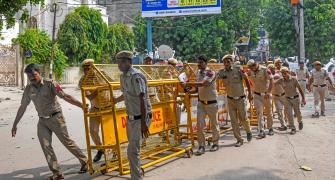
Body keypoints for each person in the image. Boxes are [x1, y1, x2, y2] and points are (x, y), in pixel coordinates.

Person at [11, 63, 88, 180]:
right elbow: (22, 107)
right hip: (42, 121)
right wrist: (15, 124)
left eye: (34, 75)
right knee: (46, 146)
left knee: (67, 142)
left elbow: (65, 96)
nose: (31, 78)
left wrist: (82, 105)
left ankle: (84, 161)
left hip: (56, 118)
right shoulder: (28, 89)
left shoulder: (50, 84)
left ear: (39, 73)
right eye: (29, 76)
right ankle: (57, 173)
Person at [114, 51, 152, 180]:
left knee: (132, 151)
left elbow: (142, 99)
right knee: (133, 151)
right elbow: (126, 94)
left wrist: (143, 123)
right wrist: (114, 101)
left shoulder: (136, 76)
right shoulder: (123, 77)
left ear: (130, 62)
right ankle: (136, 174)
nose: (120, 64)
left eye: (123, 61)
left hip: (140, 118)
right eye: (118, 62)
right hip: (131, 118)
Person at [183, 55, 220, 155]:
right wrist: (189, 91)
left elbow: (204, 84)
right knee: (199, 126)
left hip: (211, 103)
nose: (199, 64)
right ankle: (201, 146)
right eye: (198, 62)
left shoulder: (211, 72)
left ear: (206, 63)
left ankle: (215, 143)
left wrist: (188, 83)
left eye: (201, 62)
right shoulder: (198, 72)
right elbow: (197, 88)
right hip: (201, 103)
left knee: (214, 125)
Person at [217, 55, 253, 147]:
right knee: (233, 121)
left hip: (240, 99)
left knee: (243, 118)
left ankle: (248, 131)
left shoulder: (238, 69)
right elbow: (213, 78)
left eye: (228, 62)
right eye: (224, 62)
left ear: (232, 62)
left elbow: (246, 80)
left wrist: (250, 93)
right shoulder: (222, 72)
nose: (226, 64)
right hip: (230, 99)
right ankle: (239, 139)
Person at [79, 59, 106, 162]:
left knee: (110, 132)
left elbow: (113, 83)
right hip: (95, 108)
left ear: (94, 67)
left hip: (108, 107)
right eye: (85, 68)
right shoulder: (83, 80)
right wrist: (100, 89)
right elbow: (89, 97)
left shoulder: (102, 75)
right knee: (93, 131)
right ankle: (100, 149)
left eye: (89, 68)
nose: (87, 70)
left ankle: (115, 153)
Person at [274, 67, 306, 134]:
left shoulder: (294, 79)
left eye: (285, 73)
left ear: (288, 72)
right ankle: (292, 128)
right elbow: (273, 83)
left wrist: (303, 99)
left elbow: (300, 89)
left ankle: (300, 121)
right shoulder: (281, 80)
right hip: (287, 99)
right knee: (289, 114)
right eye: (282, 74)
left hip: (295, 98)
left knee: (297, 113)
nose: (284, 75)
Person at [247, 59, 274, 138]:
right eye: (250, 68)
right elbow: (248, 79)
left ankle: (270, 128)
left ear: (255, 65)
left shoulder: (265, 70)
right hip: (257, 95)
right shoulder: (250, 71)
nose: (252, 69)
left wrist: (268, 92)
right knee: (259, 113)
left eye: (252, 67)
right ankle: (261, 130)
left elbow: (272, 80)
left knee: (269, 112)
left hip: (266, 95)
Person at [268, 64, 287, 131]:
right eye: (269, 68)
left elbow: (279, 77)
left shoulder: (278, 73)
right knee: (279, 111)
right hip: (275, 96)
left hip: (283, 94)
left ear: (274, 68)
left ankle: (287, 122)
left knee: (287, 110)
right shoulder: (268, 75)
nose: (271, 70)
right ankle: (283, 125)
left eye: (272, 68)